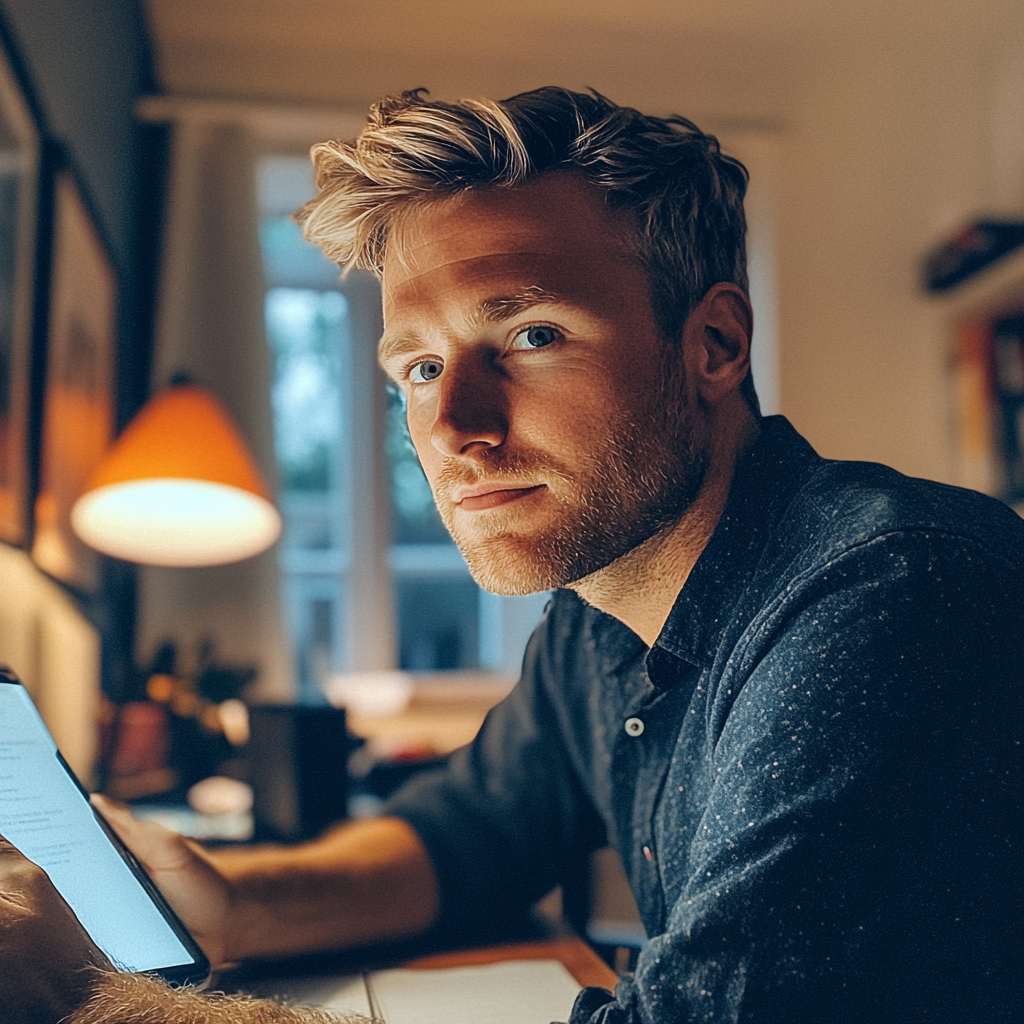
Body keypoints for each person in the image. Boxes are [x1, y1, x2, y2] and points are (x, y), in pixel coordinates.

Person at [2, 86, 1022, 1024]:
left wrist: (90, 997)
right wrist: (230, 905)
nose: (452, 426)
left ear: (713, 344)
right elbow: (467, 832)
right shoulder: (597, 613)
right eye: (420, 364)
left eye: (531, 335)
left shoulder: (892, 592)